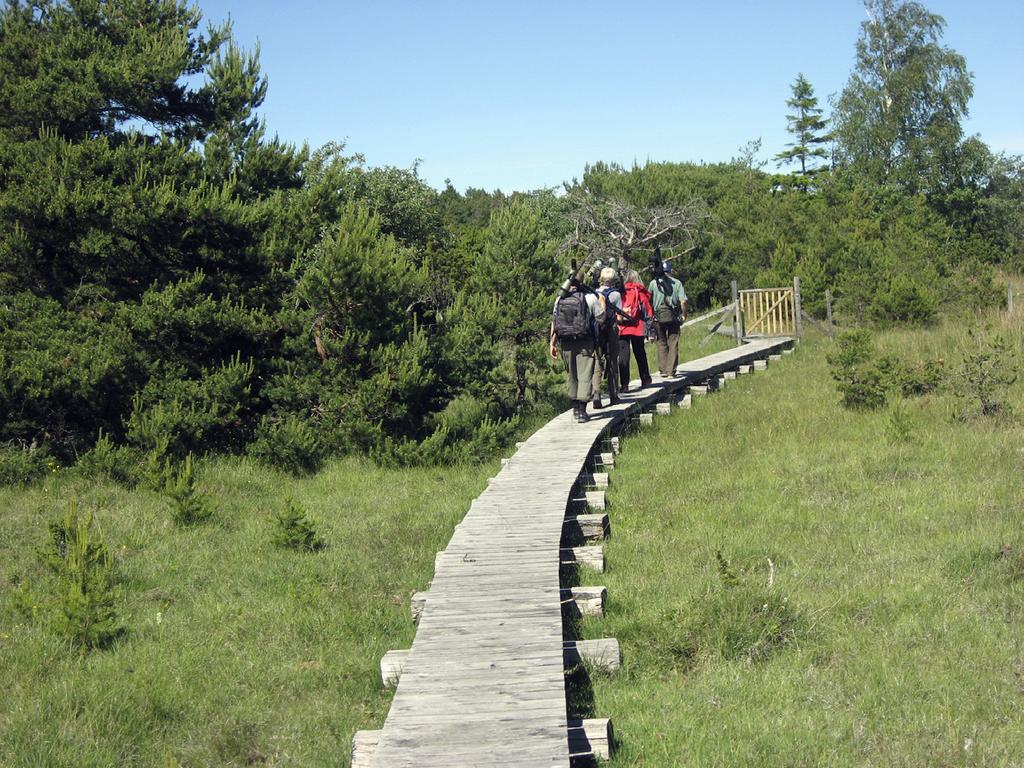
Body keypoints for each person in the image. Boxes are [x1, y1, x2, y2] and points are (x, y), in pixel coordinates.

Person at [549, 273, 606, 423]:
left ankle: (574, 408)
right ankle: (582, 410)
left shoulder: (559, 298)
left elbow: (555, 322)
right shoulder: (590, 298)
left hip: (566, 342)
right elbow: (601, 318)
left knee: (572, 375)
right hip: (585, 342)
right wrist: (601, 302)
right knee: (585, 375)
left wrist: (552, 343)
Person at [648, 259, 688, 378]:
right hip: (673, 316)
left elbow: (648, 299)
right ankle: (671, 371)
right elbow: (684, 301)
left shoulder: (653, 283)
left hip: (658, 317)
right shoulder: (677, 283)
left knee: (661, 343)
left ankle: (663, 370)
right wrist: (684, 314)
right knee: (673, 343)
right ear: (670, 270)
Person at [616, 269, 653, 389]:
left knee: (623, 356)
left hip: (622, 328)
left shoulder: (620, 292)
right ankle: (645, 379)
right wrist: (649, 329)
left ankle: (624, 384)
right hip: (637, 327)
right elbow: (648, 312)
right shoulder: (640, 293)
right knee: (640, 354)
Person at [591, 267, 622, 409]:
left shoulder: (594, 293)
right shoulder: (616, 294)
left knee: (598, 361)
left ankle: (596, 393)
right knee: (612, 362)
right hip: (611, 330)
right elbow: (620, 318)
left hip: (597, 331)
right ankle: (613, 394)